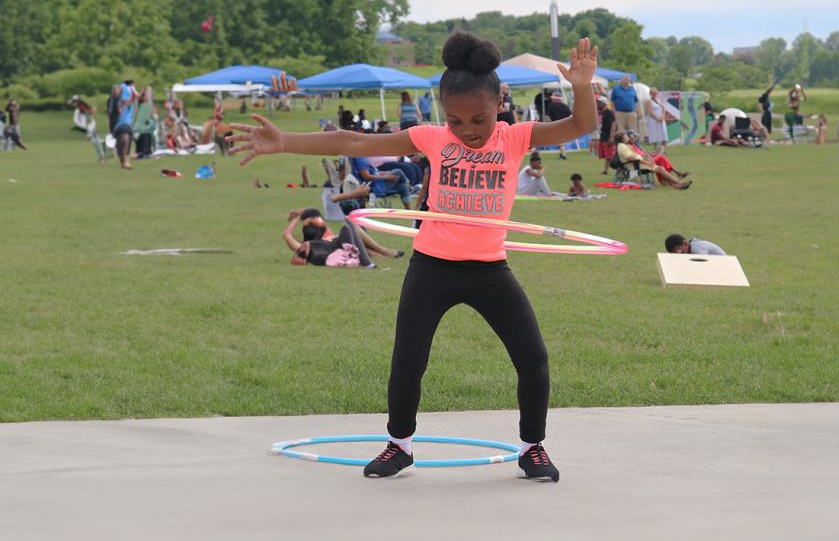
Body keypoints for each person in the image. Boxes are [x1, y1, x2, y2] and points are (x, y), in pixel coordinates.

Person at [225, 31, 606, 483]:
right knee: (408, 359)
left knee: (533, 357)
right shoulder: (430, 139)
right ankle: (399, 445)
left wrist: (582, 85)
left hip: (490, 269)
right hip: (432, 267)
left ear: (499, 104)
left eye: (478, 119)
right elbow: (353, 144)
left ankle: (532, 449)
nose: (467, 131)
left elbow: (581, 127)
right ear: (442, 115)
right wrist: (285, 141)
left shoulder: (515, 137)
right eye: (456, 121)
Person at [283, 208, 403, 267]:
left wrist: (301, 213)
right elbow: (287, 236)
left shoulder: (325, 235)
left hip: (344, 243)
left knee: (353, 227)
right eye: (313, 221)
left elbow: (313, 212)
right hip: (344, 248)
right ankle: (380, 253)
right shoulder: (305, 246)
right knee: (348, 223)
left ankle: (382, 255)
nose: (318, 222)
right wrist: (298, 217)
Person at [617, 132, 692, 189]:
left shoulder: (628, 145)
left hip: (641, 162)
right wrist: (645, 159)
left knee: (661, 166)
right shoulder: (622, 146)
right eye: (626, 136)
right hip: (636, 166)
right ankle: (678, 183)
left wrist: (647, 157)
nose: (629, 137)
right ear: (622, 139)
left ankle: (674, 184)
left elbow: (639, 155)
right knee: (661, 161)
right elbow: (631, 157)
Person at [112, 79, 136, 168]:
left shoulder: (129, 92)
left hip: (127, 124)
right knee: (124, 136)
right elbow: (125, 102)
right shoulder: (123, 89)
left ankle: (123, 160)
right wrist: (133, 95)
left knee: (126, 143)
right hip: (120, 124)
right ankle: (124, 160)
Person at [133, 88, 158, 159]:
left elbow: (153, 113)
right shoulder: (139, 105)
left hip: (147, 126)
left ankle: (147, 152)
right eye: (147, 96)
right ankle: (142, 152)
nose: (148, 97)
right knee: (144, 136)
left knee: (148, 135)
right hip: (140, 127)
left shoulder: (148, 105)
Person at [595, 98, 616, 175]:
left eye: (598, 103)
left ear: (603, 103)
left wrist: (611, 137)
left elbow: (613, 125)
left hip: (608, 136)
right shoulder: (602, 113)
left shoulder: (608, 112)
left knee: (610, 155)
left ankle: (607, 170)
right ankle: (606, 169)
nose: (597, 104)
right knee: (607, 155)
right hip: (603, 136)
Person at [645, 88, 669, 153]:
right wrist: (657, 118)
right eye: (654, 93)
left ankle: (663, 149)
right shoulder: (649, 102)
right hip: (653, 120)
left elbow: (663, 108)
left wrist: (663, 116)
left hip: (661, 120)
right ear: (650, 94)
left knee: (664, 134)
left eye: (656, 93)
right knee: (654, 135)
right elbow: (650, 111)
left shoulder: (659, 100)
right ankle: (655, 150)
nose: (655, 94)